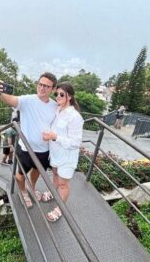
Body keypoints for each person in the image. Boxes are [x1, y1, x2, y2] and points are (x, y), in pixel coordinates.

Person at [0, 72, 58, 208]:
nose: (42, 88)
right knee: (20, 174)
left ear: (53, 89)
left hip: (45, 149)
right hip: (25, 148)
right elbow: (11, 100)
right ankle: (23, 191)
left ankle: (32, 187)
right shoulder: (27, 100)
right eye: (40, 84)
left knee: (38, 171)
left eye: (46, 86)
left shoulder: (55, 106)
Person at [41, 82, 84, 222]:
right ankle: (53, 193)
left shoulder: (75, 117)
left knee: (63, 184)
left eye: (61, 94)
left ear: (69, 96)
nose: (58, 96)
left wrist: (55, 137)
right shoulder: (57, 110)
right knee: (55, 175)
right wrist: (49, 136)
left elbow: (75, 143)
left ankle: (60, 209)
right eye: (56, 94)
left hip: (67, 157)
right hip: (55, 153)